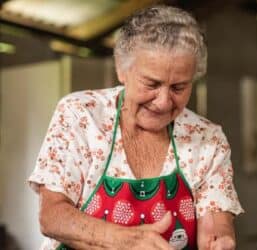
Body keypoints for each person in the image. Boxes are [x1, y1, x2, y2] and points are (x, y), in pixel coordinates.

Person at [28, 5, 243, 250]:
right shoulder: (81, 115)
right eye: (151, 84)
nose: (163, 102)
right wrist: (123, 239)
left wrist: (219, 240)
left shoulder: (207, 139)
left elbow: (216, 223)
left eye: (178, 88)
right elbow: (52, 216)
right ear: (122, 68)